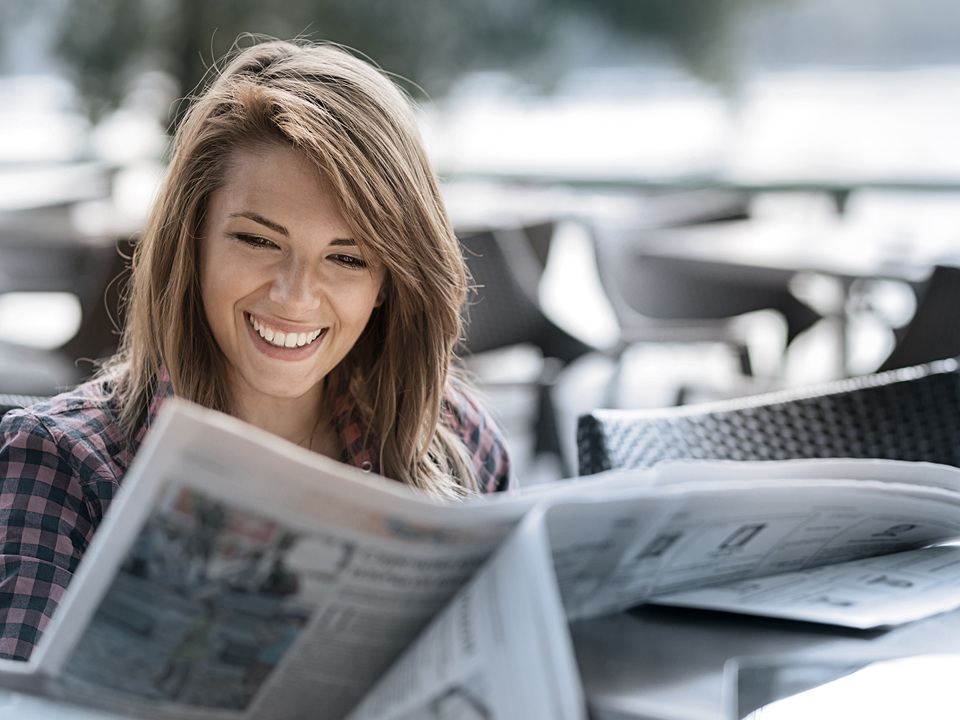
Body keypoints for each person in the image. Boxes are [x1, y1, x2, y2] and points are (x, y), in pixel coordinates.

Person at [0, 36, 514, 661]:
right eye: (258, 241)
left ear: (389, 284)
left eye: (348, 258)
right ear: (192, 242)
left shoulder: (459, 442)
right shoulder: (63, 464)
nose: (295, 297)